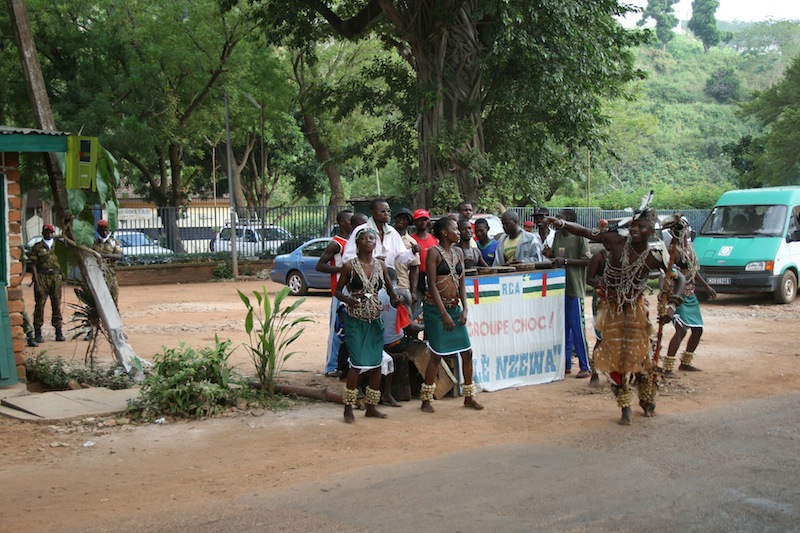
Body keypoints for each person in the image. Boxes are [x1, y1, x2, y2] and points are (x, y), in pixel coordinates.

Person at [544, 204, 685, 425]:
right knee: (616, 359)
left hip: (636, 309)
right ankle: (624, 405)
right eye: (633, 225)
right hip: (611, 310)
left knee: (642, 357)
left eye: (641, 226)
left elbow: (679, 279)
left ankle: (647, 399)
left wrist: (672, 306)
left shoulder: (655, 256)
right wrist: (561, 224)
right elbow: (584, 231)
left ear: (651, 230)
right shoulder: (615, 242)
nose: (635, 229)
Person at [335, 228, 402, 423]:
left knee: (375, 364)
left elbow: (390, 289)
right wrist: (349, 300)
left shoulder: (381, 265)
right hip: (356, 319)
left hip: (375, 319)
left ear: (376, 243)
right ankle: (348, 406)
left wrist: (396, 299)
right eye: (363, 238)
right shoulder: (349, 266)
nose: (368, 241)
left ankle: (371, 406)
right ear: (357, 244)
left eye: (371, 238)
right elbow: (337, 292)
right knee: (356, 364)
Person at [420, 217, 483, 413]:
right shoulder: (433, 253)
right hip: (435, 310)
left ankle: (469, 396)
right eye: (455, 228)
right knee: (436, 355)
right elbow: (431, 284)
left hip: (454, 307)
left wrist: (464, 308)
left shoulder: (458, 252)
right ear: (445, 233)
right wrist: (443, 313)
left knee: (467, 352)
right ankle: (426, 398)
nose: (459, 231)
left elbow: (462, 283)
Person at [662, 219, 717, 377]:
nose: (684, 231)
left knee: (697, 329)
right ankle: (668, 367)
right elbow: (666, 275)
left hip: (690, 293)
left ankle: (685, 363)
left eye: (685, 228)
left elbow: (693, 270)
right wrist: (668, 297)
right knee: (681, 330)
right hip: (677, 294)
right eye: (681, 229)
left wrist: (706, 286)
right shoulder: (673, 251)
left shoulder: (689, 246)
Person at [549, 209, 592, 379]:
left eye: (559, 217)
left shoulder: (580, 237)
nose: (556, 220)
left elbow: (587, 260)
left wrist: (566, 261)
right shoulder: (558, 236)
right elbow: (555, 256)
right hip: (560, 289)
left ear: (567, 220)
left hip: (575, 288)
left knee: (578, 329)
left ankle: (585, 365)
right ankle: (566, 364)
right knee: (563, 328)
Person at [316, 210, 354, 377]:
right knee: (336, 329)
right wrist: (344, 270)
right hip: (339, 291)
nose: (353, 222)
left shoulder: (354, 242)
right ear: (341, 223)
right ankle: (331, 366)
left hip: (352, 291)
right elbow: (320, 265)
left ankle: (345, 364)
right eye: (349, 220)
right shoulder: (337, 243)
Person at [341, 199, 419, 270]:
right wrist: (371, 261)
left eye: (388, 211)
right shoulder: (361, 231)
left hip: (388, 277)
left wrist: (412, 251)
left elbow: (400, 257)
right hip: (365, 278)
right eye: (382, 211)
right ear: (372, 212)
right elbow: (347, 258)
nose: (386, 214)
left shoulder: (392, 232)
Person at [30, 224, 65, 343]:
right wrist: (37, 283)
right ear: (43, 233)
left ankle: (58, 331)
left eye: (51, 233)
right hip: (42, 276)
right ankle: (38, 332)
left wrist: (62, 276)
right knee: (40, 305)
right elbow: (33, 265)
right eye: (47, 233)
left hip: (55, 277)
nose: (49, 235)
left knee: (57, 304)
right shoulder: (37, 247)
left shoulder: (58, 246)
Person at [585, 249, 607, 386]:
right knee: (601, 337)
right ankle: (595, 373)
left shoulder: (624, 253)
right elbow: (589, 279)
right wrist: (603, 285)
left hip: (618, 299)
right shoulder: (599, 256)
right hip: (602, 299)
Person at [410, 208, 438, 312]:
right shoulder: (410, 239)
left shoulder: (434, 239)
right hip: (416, 278)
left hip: (432, 277)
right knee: (415, 307)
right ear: (415, 222)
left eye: (425, 219)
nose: (422, 222)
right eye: (419, 219)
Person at [391, 208, 420, 306]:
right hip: (384, 285)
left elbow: (414, 268)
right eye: (399, 218)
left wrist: (413, 291)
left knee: (403, 317)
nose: (401, 221)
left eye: (404, 219)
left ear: (409, 223)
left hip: (402, 284)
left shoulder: (411, 242)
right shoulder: (385, 236)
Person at [91, 219, 123, 306]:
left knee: (114, 299)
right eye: (102, 231)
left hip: (110, 274)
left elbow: (119, 256)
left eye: (106, 230)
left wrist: (102, 255)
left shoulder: (113, 242)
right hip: (98, 275)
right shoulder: (94, 244)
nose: (104, 233)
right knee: (100, 301)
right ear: (98, 231)